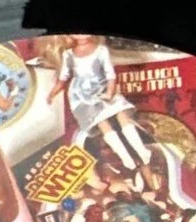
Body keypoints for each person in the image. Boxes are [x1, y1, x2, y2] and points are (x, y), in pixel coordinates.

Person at [47, 35, 154, 190]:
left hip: (102, 86)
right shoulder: (68, 54)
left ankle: (142, 150)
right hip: (81, 94)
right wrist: (52, 93)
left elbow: (110, 74)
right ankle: (126, 158)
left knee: (122, 114)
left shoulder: (101, 50)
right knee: (102, 123)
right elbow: (63, 77)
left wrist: (109, 92)